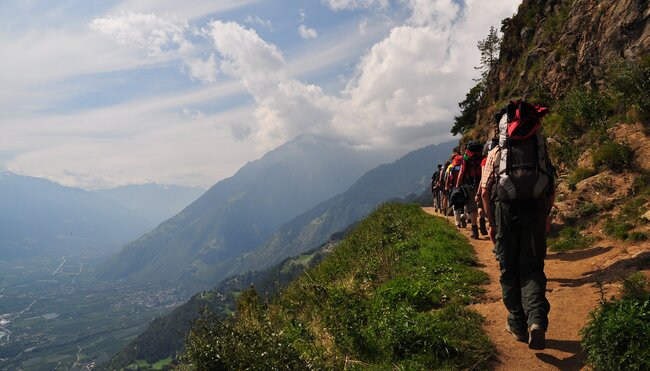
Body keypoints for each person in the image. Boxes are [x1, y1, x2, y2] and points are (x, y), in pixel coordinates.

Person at [480, 101, 555, 350]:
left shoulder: (496, 151)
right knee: (532, 267)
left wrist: (490, 222)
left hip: (505, 212)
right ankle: (536, 321)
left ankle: (517, 323)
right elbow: (551, 184)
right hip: (535, 209)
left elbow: (484, 190)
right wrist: (545, 214)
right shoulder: (539, 145)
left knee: (508, 268)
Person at [455, 141, 485, 239]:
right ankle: (483, 224)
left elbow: (462, 171)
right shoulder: (483, 157)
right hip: (482, 184)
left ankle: (475, 232)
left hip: (470, 185)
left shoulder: (466, 158)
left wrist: (457, 184)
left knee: (472, 208)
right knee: (481, 205)